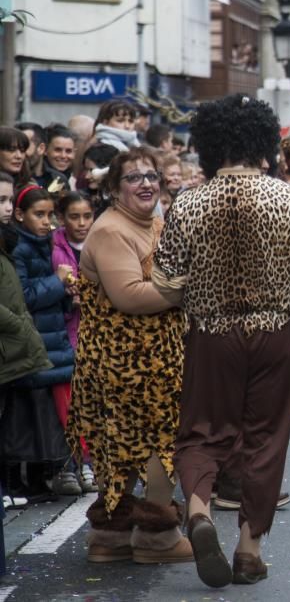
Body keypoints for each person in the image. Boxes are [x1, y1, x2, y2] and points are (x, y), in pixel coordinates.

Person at [152, 95, 290, 588]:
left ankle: (198, 512)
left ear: (211, 143)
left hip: (212, 335)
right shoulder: (288, 198)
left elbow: (167, 284)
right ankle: (249, 551)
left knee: (201, 432)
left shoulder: (189, 202)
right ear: (261, 141)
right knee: (265, 438)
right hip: (275, 333)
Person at [66, 150, 193, 564]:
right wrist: (187, 289)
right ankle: (157, 538)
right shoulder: (110, 230)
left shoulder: (153, 222)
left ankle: (112, 535)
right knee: (156, 441)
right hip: (124, 361)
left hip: (152, 358)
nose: (146, 184)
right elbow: (130, 297)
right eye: (133, 178)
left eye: (151, 175)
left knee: (123, 443)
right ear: (114, 189)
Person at [7, 184, 78, 496]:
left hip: (52, 342)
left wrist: (68, 296)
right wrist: (57, 282)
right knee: (27, 415)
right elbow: (23, 297)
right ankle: (25, 478)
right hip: (33, 343)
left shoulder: (44, 245)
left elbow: (50, 297)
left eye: (50, 215)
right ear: (21, 215)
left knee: (49, 414)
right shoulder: (20, 249)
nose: (47, 222)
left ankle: (47, 473)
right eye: (39, 214)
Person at [0, 173, 55, 505]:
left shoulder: (7, 239)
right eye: (0, 202)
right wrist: (17, 325)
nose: (6, 208)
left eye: (8, 200)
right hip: (10, 339)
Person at [51, 191, 97, 494]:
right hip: (66, 335)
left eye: (87, 216)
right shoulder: (54, 249)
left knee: (93, 400)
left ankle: (91, 461)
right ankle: (75, 463)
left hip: (95, 333)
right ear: (62, 218)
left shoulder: (100, 242)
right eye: (74, 217)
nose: (81, 223)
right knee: (68, 403)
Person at [36, 124, 76, 191]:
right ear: (45, 150)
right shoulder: (37, 178)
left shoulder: (73, 180)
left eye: (68, 151)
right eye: (58, 150)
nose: (63, 156)